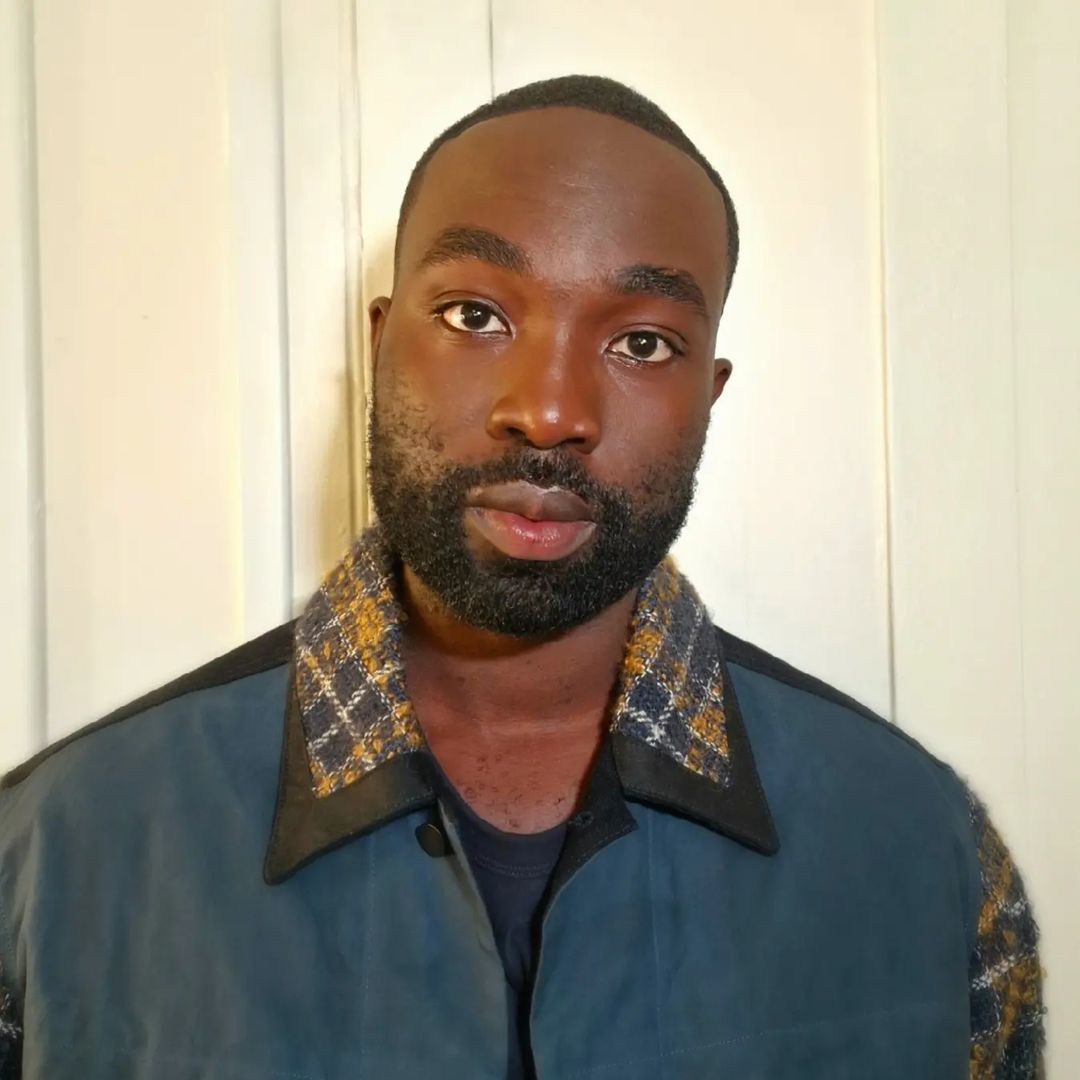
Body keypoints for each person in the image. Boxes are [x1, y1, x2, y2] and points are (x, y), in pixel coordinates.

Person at [0, 75, 1044, 1079]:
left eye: (643, 342)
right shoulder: (54, 850)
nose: (548, 412)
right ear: (382, 346)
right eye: (473, 316)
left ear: (709, 395)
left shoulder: (923, 851)